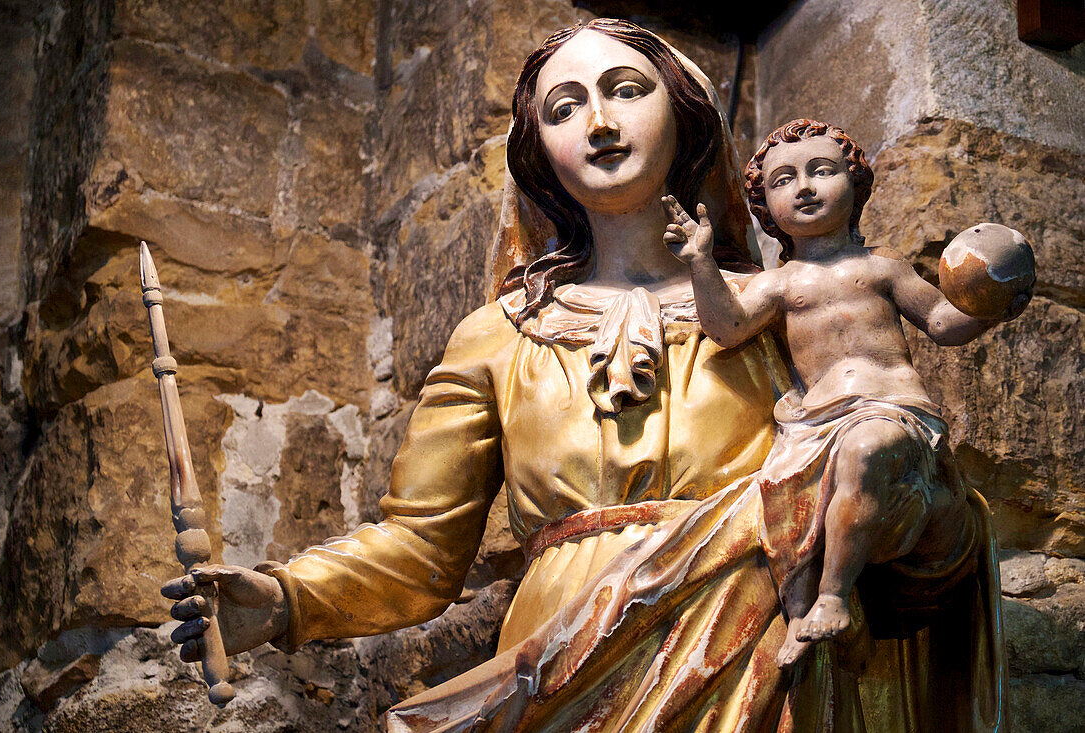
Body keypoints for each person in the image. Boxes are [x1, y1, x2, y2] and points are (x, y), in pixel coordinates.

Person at [162, 21, 1005, 731]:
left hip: (750, 656)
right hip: (559, 660)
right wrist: (277, 600)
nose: (599, 121)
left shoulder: (781, 306)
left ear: (683, 116)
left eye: (626, 91)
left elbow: (888, 467)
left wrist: (919, 513)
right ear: (540, 152)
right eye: (566, 108)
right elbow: (421, 550)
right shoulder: (498, 338)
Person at [661, 118, 1030, 670]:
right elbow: (727, 326)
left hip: (892, 410)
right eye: (783, 180)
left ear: (855, 186)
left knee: (866, 450)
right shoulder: (781, 284)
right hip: (813, 424)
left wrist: (990, 304)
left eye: (822, 170)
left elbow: (941, 321)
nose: (804, 186)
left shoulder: (881, 266)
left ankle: (834, 597)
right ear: (765, 204)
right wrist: (700, 262)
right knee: (780, 502)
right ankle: (800, 617)